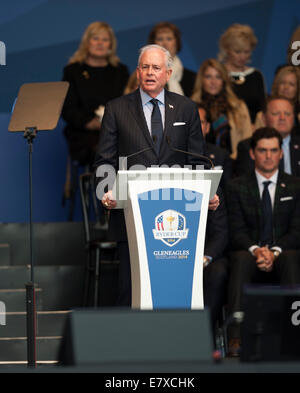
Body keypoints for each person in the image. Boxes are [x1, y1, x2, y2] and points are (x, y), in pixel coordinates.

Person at [94, 44, 219, 306]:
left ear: (168, 73)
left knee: (174, 293)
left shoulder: (186, 109)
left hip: (178, 220)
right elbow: (105, 161)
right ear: (138, 72)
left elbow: (196, 158)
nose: (150, 72)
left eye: (157, 68)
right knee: (131, 291)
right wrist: (106, 193)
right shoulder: (117, 109)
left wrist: (207, 195)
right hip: (131, 217)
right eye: (145, 67)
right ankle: (131, 344)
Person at [226, 127, 300, 356]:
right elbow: (236, 231)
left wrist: (274, 252)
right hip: (250, 253)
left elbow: (297, 231)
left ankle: (294, 332)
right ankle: (236, 337)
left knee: (292, 257)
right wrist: (258, 250)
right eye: (262, 150)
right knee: (239, 258)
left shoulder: (296, 186)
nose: (268, 156)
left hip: (283, 253)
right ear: (252, 154)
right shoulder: (236, 186)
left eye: (273, 150)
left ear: (281, 154)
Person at [62, 21, 129, 168]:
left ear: (111, 45)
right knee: (103, 151)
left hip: (116, 130)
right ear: (87, 42)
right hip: (84, 132)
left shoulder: (120, 71)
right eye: (95, 38)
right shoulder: (73, 71)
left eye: (105, 40)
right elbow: (67, 108)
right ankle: (102, 190)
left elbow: (128, 103)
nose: (100, 43)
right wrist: (90, 123)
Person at [191, 58, 252, 160]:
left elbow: (247, 141)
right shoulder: (190, 107)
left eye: (218, 77)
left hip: (234, 163)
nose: (213, 82)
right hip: (199, 163)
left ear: (224, 80)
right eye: (208, 76)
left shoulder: (238, 107)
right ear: (201, 80)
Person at [236, 96, 300, 177]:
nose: (282, 118)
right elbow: (244, 184)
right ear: (263, 118)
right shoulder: (248, 146)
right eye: (276, 113)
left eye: (287, 114)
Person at [218, 24, 266, 123]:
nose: (242, 57)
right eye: (237, 51)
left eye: (246, 52)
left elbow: (262, 109)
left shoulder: (256, 75)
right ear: (227, 49)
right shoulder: (218, 74)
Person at [147, 22, 196, 97]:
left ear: (176, 43)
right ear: (153, 44)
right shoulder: (146, 76)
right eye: (160, 39)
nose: (165, 43)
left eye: (169, 39)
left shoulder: (192, 78)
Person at [198, 104, 233, 188]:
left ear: (207, 127)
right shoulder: (173, 154)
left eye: (201, 122)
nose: (196, 126)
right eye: (191, 122)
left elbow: (228, 191)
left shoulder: (221, 155)